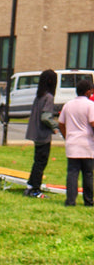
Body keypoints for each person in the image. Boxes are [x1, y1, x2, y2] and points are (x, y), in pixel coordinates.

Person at [58, 77, 94, 207]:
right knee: (88, 174)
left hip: (72, 143)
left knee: (72, 173)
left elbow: (61, 123)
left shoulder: (68, 105)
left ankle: (70, 200)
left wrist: (67, 136)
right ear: (87, 91)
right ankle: (88, 201)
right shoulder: (90, 105)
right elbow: (93, 122)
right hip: (87, 144)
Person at [24, 70, 58, 198]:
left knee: (37, 161)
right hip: (43, 135)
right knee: (41, 162)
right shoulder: (49, 97)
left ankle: (30, 186)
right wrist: (56, 126)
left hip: (35, 133)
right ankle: (35, 189)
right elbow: (46, 117)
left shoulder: (39, 96)